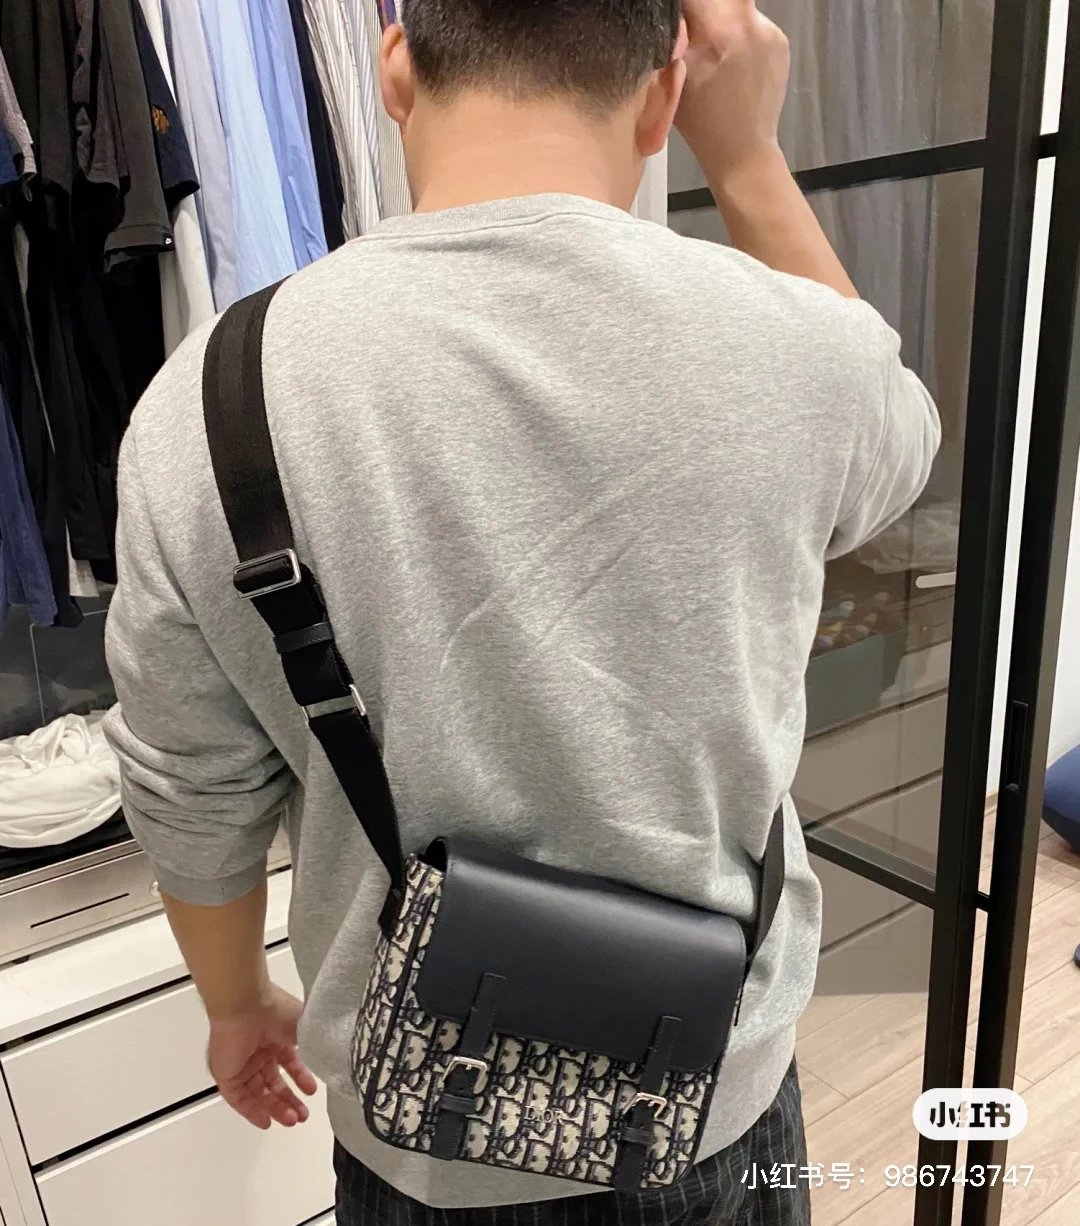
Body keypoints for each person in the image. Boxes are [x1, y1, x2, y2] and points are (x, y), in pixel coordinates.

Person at [103, 0, 941, 1222]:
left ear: (395, 70)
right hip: (711, 1086)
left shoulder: (207, 399)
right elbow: (902, 442)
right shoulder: (806, 356)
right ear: (663, 98)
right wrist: (749, 156)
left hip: (419, 1124)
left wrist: (236, 1006)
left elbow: (188, 794)